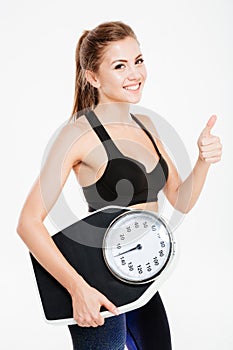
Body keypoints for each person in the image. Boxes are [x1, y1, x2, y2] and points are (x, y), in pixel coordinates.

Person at [16, 21, 222, 350]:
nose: (135, 73)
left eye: (139, 61)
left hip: (141, 279)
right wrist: (77, 289)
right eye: (120, 66)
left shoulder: (147, 124)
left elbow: (180, 199)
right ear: (93, 77)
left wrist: (203, 160)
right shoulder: (78, 134)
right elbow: (28, 222)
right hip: (96, 285)